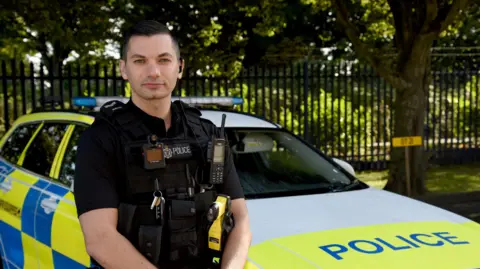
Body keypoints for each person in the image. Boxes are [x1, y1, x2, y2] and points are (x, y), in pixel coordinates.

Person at [73, 20, 252, 269]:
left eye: (163, 60)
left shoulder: (207, 134)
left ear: (179, 67)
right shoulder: (101, 140)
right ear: (124, 69)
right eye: (140, 61)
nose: (153, 71)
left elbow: (240, 220)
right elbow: (100, 239)